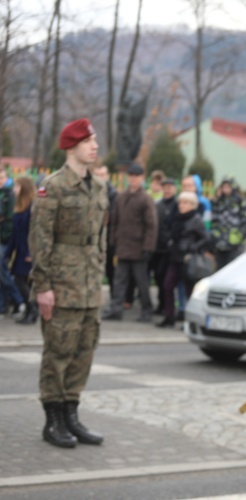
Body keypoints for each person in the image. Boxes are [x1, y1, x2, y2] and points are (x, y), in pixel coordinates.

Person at [29, 118, 108, 448]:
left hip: (89, 285)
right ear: (72, 146)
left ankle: (72, 415)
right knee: (58, 352)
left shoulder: (100, 187)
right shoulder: (54, 186)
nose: (95, 146)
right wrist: (42, 286)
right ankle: (53, 421)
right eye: (88, 141)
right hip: (61, 285)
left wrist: (102, 275)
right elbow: (41, 238)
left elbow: (101, 237)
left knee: (83, 352)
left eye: (94, 141)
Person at [102, 163, 157, 322]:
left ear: (141, 178)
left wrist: (148, 247)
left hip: (138, 248)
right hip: (123, 247)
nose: (133, 179)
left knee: (142, 282)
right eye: (131, 176)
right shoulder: (121, 196)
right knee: (119, 281)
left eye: (136, 176)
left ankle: (147, 311)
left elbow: (151, 226)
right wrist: (113, 240)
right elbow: (114, 220)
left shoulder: (145, 199)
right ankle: (115, 309)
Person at [158, 191, 211, 328]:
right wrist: (170, 243)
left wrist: (192, 247)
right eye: (181, 202)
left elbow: (205, 238)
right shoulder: (177, 217)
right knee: (167, 286)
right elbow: (171, 233)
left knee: (189, 291)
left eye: (186, 202)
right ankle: (169, 316)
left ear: (193, 205)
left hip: (188, 259)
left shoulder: (196, 219)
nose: (182, 205)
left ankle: (190, 320)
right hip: (175, 257)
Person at [3, 177, 37, 324]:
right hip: (19, 250)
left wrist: (31, 253)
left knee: (20, 281)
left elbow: (34, 233)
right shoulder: (19, 207)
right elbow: (15, 235)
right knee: (19, 280)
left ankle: (33, 310)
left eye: (17, 186)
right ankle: (29, 311)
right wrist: (8, 253)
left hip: (26, 251)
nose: (14, 189)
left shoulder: (32, 209)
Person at [210, 176, 246, 269]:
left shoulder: (240, 201)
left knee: (232, 269)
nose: (225, 189)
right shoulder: (218, 202)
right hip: (220, 244)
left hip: (234, 245)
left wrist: (240, 236)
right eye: (223, 186)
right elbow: (213, 220)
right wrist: (215, 235)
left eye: (228, 186)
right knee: (219, 270)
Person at [0, 166, 24, 316]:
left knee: (2, 270)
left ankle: (19, 300)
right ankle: (2, 305)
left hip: (6, 237)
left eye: (2, 178)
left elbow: (7, 216)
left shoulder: (9, 194)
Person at [93, 165, 118, 300]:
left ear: (108, 176)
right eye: (98, 174)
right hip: (93, 236)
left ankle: (115, 298)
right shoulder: (91, 191)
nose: (100, 177)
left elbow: (115, 217)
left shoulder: (113, 194)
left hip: (108, 236)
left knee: (110, 269)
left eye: (103, 174)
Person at [154, 178, 178, 314]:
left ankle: (167, 306)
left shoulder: (177, 205)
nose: (167, 190)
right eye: (165, 187)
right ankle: (161, 303)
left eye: (170, 187)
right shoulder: (158, 205)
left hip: (169, 249)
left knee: (166, 280)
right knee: (158, 276)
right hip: (157, 247)